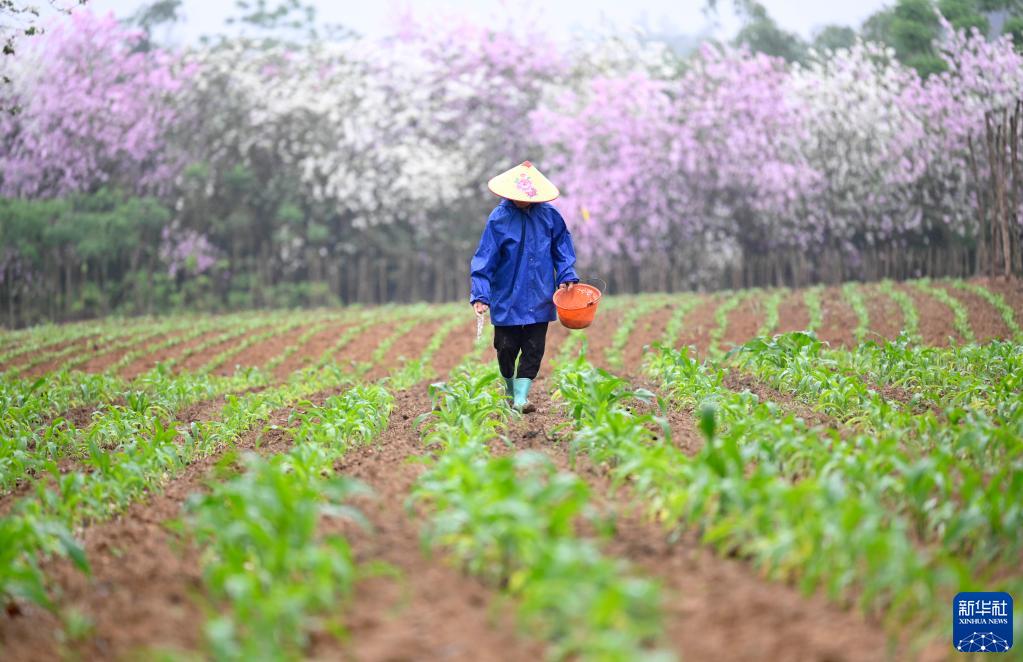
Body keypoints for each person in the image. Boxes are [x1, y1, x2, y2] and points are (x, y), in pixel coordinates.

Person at [469, 160, 579, 413]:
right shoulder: (499, 219)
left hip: (540, 293)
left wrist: (566, 274)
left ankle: (521, 398)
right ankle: (510, 390)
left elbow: (562, 248)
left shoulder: (550, 216)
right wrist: (481, 294)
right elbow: (484, 257)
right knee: (505, 348)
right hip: (507, 294)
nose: (521, 200)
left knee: (533, 349)